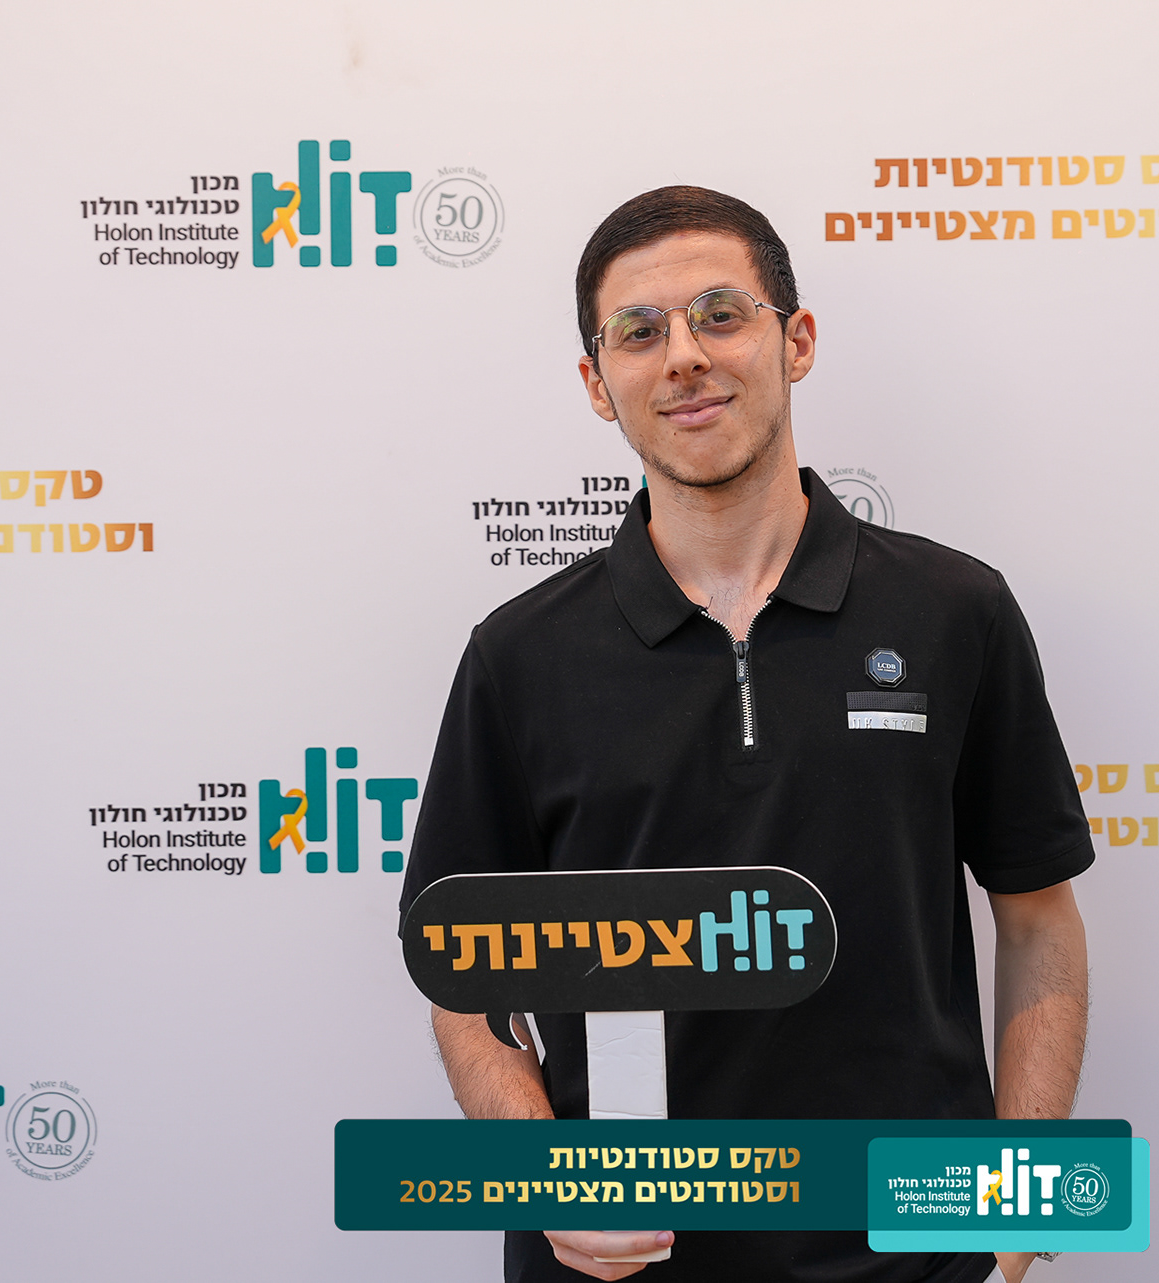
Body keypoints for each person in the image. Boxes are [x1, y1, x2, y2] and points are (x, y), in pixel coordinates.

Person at [402, 186, 1093, 1283]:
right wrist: (541, 1175)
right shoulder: (518, 655)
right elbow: (460, 981)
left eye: (720, 315)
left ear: (795, 340)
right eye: (639, 332)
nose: (684, 356)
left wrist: (1014, 1229)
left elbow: (1039, 920)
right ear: (597, 383)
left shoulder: (955, 613)